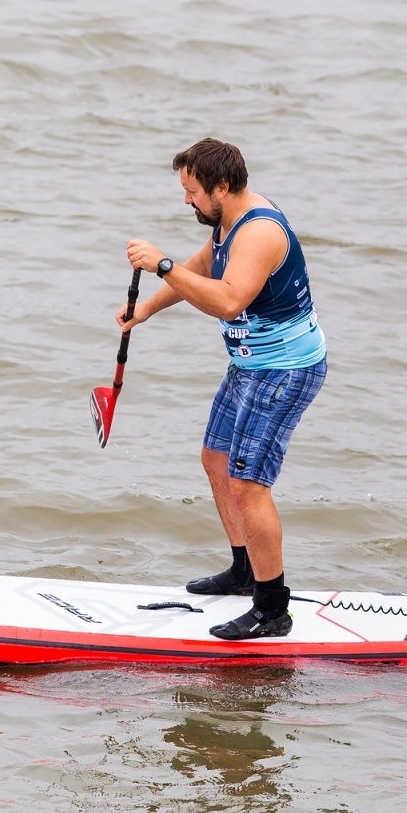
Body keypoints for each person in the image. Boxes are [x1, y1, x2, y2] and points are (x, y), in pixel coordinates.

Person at [118, 138, 327, 640]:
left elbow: (229, 301)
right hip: (248, 366)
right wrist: (145, 309)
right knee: (215, 460)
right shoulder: (226, 220)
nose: (186, 201)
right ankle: (244, 571)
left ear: (223, 186)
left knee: (248, 484)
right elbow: (203, 269)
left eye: (192, 192)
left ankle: (273, 608)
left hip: (284, 370)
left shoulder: (258, 233)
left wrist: (162, 265)